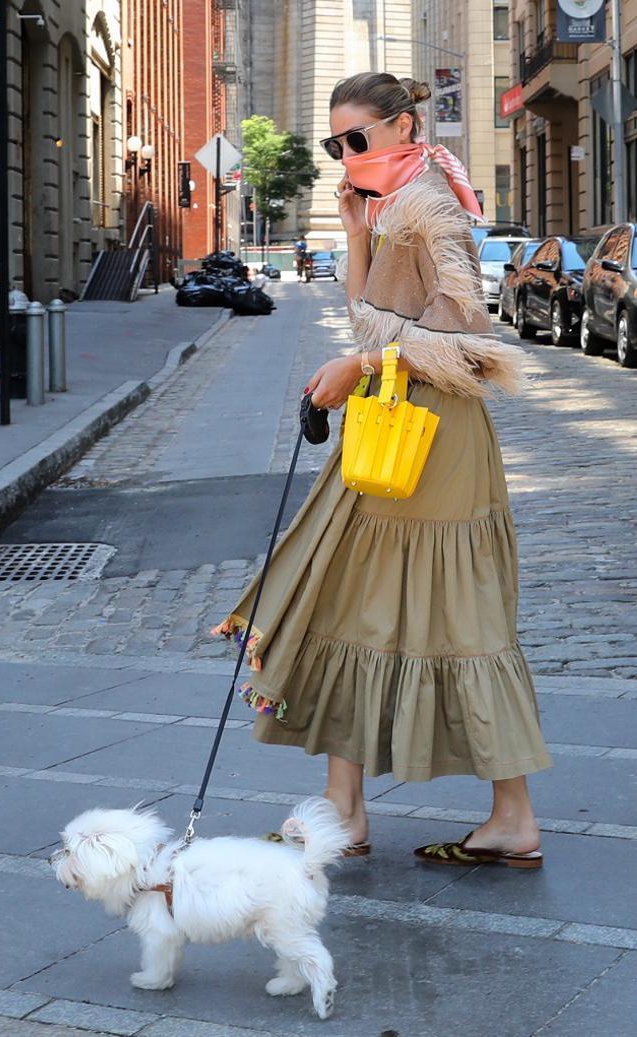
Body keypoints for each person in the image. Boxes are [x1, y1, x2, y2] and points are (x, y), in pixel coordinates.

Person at [214, 72, 551, 868]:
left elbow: (475, 338)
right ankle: (345, 806)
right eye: (334, 144)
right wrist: (354, 233)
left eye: (355, 140)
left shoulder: (431, 203)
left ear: (403, 128)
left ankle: (510, 815)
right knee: (353, 602)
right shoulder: (391, 201)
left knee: (458, 617)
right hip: (393, 428)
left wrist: (362, 361)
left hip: (435, 441)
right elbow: (369, 314)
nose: (344, 154)